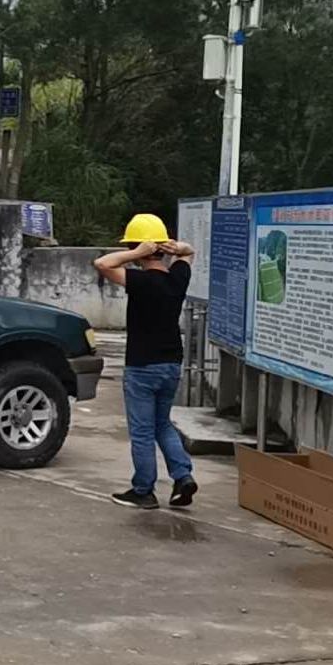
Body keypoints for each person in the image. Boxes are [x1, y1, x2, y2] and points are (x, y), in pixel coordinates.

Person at [92, 213, 199, 510]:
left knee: (142, 431)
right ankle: (183, 476)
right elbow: (190, 252)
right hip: (171, 365)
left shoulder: (139, 281)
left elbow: (103, 264)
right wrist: (174, 248)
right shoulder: (178, 278)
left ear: (140, 249)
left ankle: (143, 490)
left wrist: (137, 252)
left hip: (142, 367)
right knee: (162, 424)